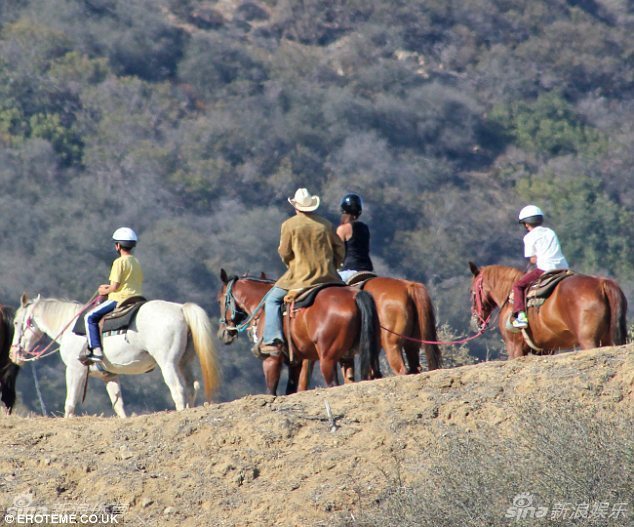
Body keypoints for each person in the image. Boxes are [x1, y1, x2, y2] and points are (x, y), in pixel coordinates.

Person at [261, 188, 345, 355]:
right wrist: (333, 266)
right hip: (329, 277)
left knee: (272, 300)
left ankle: (272, 340)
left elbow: (284, 252)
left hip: (299, 278)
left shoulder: (289, 225)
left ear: (296, 207)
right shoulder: (326, 225)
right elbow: (340, 249)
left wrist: (291, 264)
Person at [79, 227, 144, 365]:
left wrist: (104, 290)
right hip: (137, 297)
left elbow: (115, 287)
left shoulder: (119, 262)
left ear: (118, 246)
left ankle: (96, 350)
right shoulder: (136, 262)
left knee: (89, 317)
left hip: (120, 299)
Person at [512, 205, 568, 329]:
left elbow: (533, 259)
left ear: (526, 224)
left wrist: (534, 261)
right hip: (563, 268)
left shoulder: (529, 237)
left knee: (518, 286)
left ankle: (520, 317)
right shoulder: (550, 232)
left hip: (545, 268)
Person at [336, 192, 374, 282]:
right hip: (367, 270)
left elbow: (337, 252)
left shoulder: (343, 229)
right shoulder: (365, 228)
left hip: (350, 270)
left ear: (343, 210)